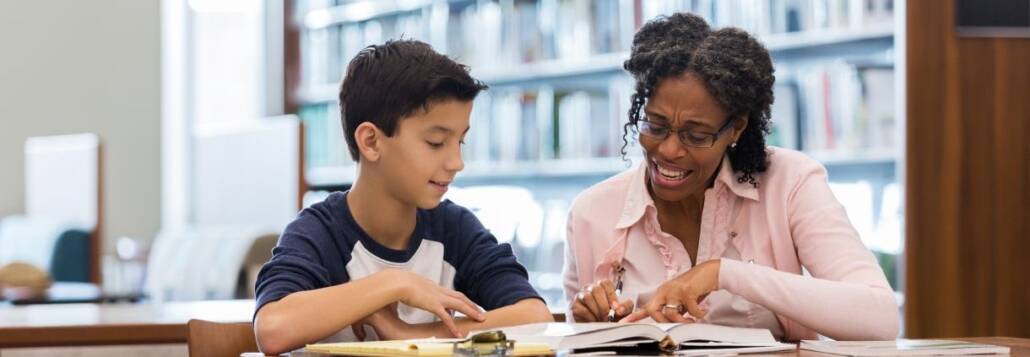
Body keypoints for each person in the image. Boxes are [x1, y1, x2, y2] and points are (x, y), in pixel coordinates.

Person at [562, 13, 898, 341]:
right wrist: (591, 326)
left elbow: (880, 318)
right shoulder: (591, 214)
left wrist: (723, 273)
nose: (669, 150)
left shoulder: (790, 183)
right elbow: (577, 341)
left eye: (696, 134)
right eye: (656, 125)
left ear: (736, 127)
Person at [253, 39, 553, 355]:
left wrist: (410, 334)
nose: (456, 163)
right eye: (436, 143)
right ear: (370, 142)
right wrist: (394, 284)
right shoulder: (320, 232)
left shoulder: (454, 228)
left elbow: (534, 316)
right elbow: (272, 329)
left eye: (460, 142)